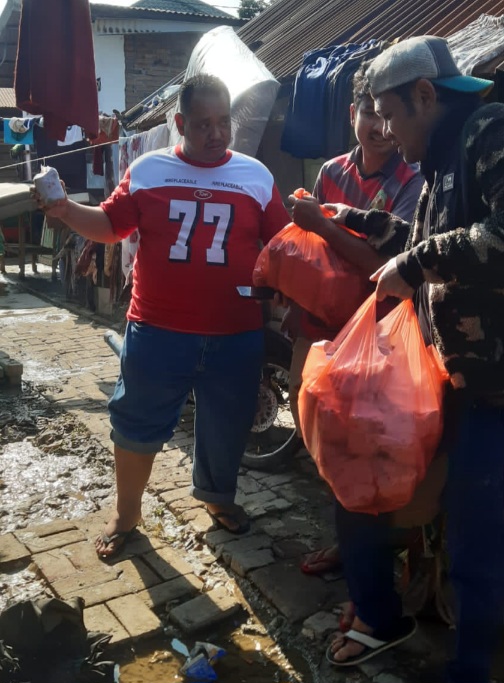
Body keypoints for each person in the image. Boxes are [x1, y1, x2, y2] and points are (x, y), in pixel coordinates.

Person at [40, 74, 290, 557]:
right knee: (135, 422)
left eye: (223, 123)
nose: (216, 134)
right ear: (179, 123)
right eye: (203, 124)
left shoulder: (256, 176)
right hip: (157, 330)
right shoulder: (149, 169)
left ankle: (218, 498)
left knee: (228, 425)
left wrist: (285, 282)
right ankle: (126, 513)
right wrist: (66, 209)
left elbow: (282, 244)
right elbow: (110, 226)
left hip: (235, 333)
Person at [320, 36, 504, 683]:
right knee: (373, 487)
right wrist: (359, 220)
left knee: (479, 544)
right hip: (452, 381)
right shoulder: (439, 161)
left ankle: (473, 669)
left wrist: (416, 261)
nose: (388, 132)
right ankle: (383, 614)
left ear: (426, 96)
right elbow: (427, 241)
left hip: (494, 392)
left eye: (391, 114)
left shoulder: (487, 131)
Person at [287, 64, 423, 575]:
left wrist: (324, 225)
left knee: (369, 443)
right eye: (369, 113)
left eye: (386, 116)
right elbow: (309, 252)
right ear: (352, 115)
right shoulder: (331, 173)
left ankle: (370, 551)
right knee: (316, 428)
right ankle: (353, 541)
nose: (380, 128)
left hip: (380, 335)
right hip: (322, 326)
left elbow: (386, 267)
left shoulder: (413, 179)